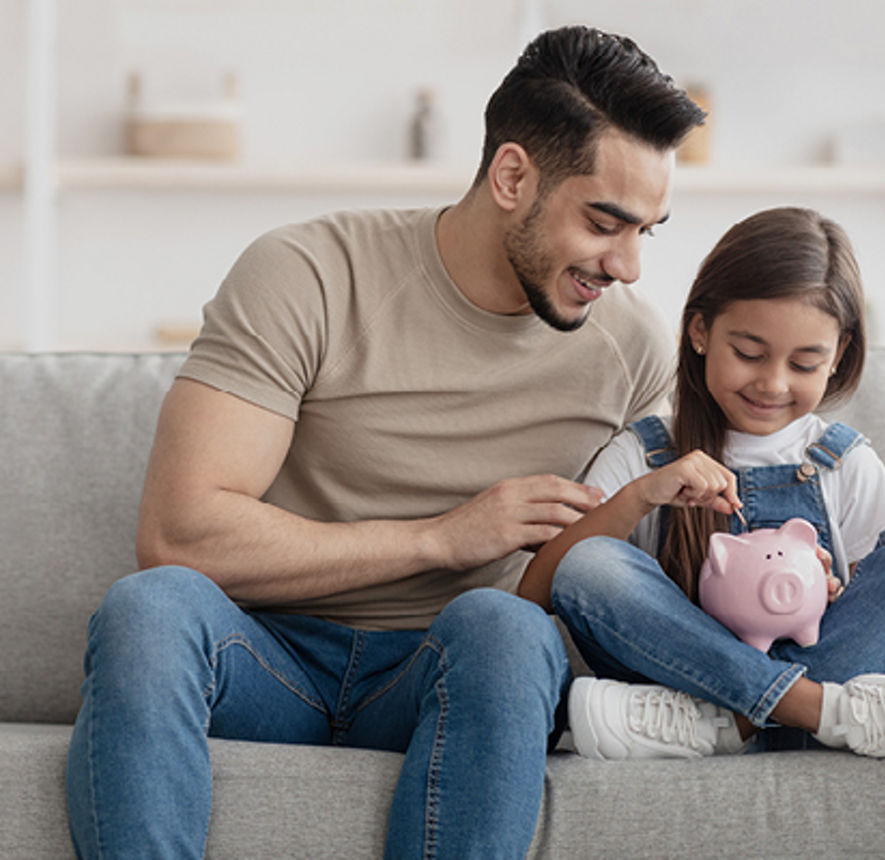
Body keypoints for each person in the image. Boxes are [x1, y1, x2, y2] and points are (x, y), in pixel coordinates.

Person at [64, 26, 705, 859]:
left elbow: (656, 545)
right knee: (148, 611)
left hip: (449, 672)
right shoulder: (310, 274)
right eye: (603, 223)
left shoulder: (632, 347)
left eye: (645, 232)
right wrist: (441, 538)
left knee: (510, 632)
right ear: (512, 175)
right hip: (269, 656)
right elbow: (179, 534)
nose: (627, 266)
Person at [518, 207, 885, 759]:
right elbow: (540, 592)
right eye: (748, 353)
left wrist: (834, 589)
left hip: (686, 709)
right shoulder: (645, 452)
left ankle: (727, 724)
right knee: (589, 563)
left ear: (838, 355)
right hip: (686, 678)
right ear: (699, 331)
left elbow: (878, 617)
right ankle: (822, 714)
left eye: (804, 364)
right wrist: (642, 495)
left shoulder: (845, 463)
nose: (772, 383)